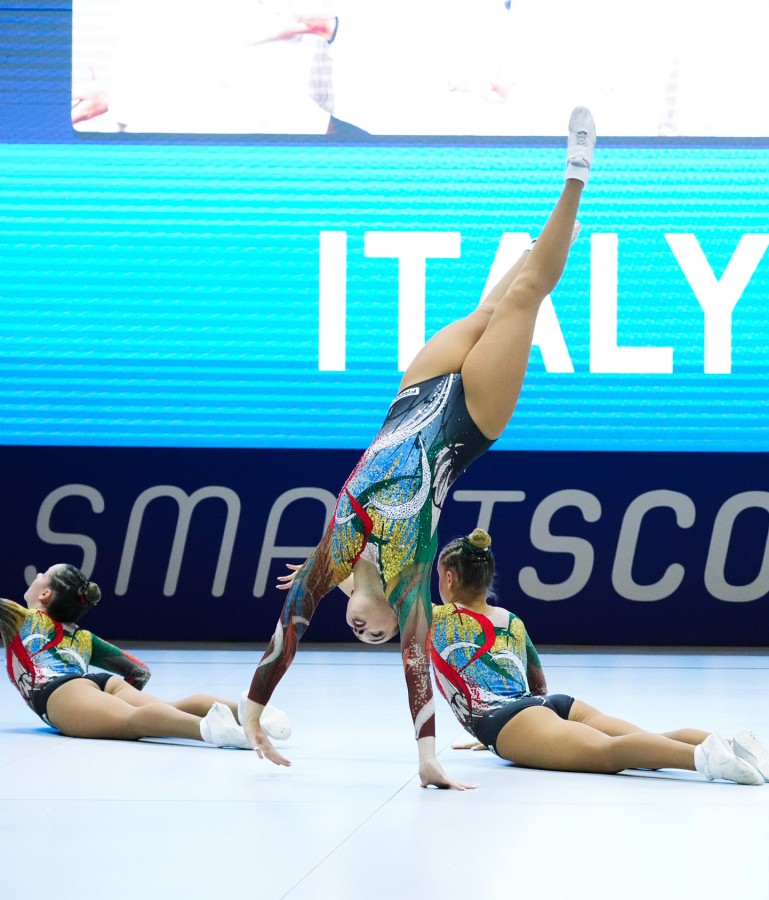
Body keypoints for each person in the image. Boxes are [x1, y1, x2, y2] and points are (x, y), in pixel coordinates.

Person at [240, 107, 598, 787]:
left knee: (489, 309)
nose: (368, 634)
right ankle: (577, 176)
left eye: (362, 632)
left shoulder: (332, 559)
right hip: (471, 424)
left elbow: (288, 631)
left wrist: (252, 710)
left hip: (414, 393)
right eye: (377, 634)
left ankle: (553, 237)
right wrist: (428, 760)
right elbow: (416, 667)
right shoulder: (410, 584)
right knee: (524, 296)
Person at [276, 529, 769, 785]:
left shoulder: (431, 618)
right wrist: (523, 724)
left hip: (510, 720)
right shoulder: (512, 621)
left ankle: (710, 761)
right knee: (643, 739)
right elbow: (537, 684)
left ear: (447, 579)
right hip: (550, 706)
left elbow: (365, 590)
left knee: (612, 756)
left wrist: (318, 571)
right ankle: (727, 740)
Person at [0, 563, 283, 748]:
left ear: (44, 595)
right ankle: (252, 712)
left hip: (60, 693)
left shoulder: (20, 618)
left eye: (43, 574)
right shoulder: (84, 638)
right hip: (100, 684)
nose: (37, 575)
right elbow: (138, 672)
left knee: (134, 722)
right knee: (165, 708)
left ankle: (215, 732)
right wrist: (109, 700)